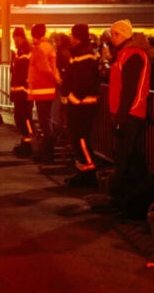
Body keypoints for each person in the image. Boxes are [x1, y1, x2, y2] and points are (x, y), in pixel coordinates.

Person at [103, 18, 151, 209]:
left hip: (130, 112)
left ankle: (121, 196)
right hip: (129, 112)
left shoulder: (133, 55)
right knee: (132, 156)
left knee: (125, 155)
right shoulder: (126, 54)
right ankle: (133, 197)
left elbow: (129, 90)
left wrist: (121, 117)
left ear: (122, 35)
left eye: (115, 34)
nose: (112, 38)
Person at [63, 23, 101, 187]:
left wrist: (71, 98)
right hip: (80, 103)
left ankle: (88, 172)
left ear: (77, 37)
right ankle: (83, 170)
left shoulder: (85, 55)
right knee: (78, 138)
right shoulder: (82, 53)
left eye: (73, 35)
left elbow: (83, 83)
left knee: (81, 138)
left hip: (82, 104)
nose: (71, 39)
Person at [26, 23, 60, 161]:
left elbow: (44, 69)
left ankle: (47, 153)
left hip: (42, 88)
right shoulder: (49, 47)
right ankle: (47, 151)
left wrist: (53, 80)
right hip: (48, 88)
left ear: (33, 34)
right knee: (47, 120)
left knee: (44, 121)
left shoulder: (39, 49)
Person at [9, 26, 33, 155]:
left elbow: (24, 72)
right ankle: (26, 140)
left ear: (22, 37)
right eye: (14, 38)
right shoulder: (19, 51)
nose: (15, 41)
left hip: (23, 90)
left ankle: (29, 142)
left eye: (17, 38)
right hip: (18, 90)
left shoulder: (26, 51)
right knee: (19, 117)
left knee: (25, 117)